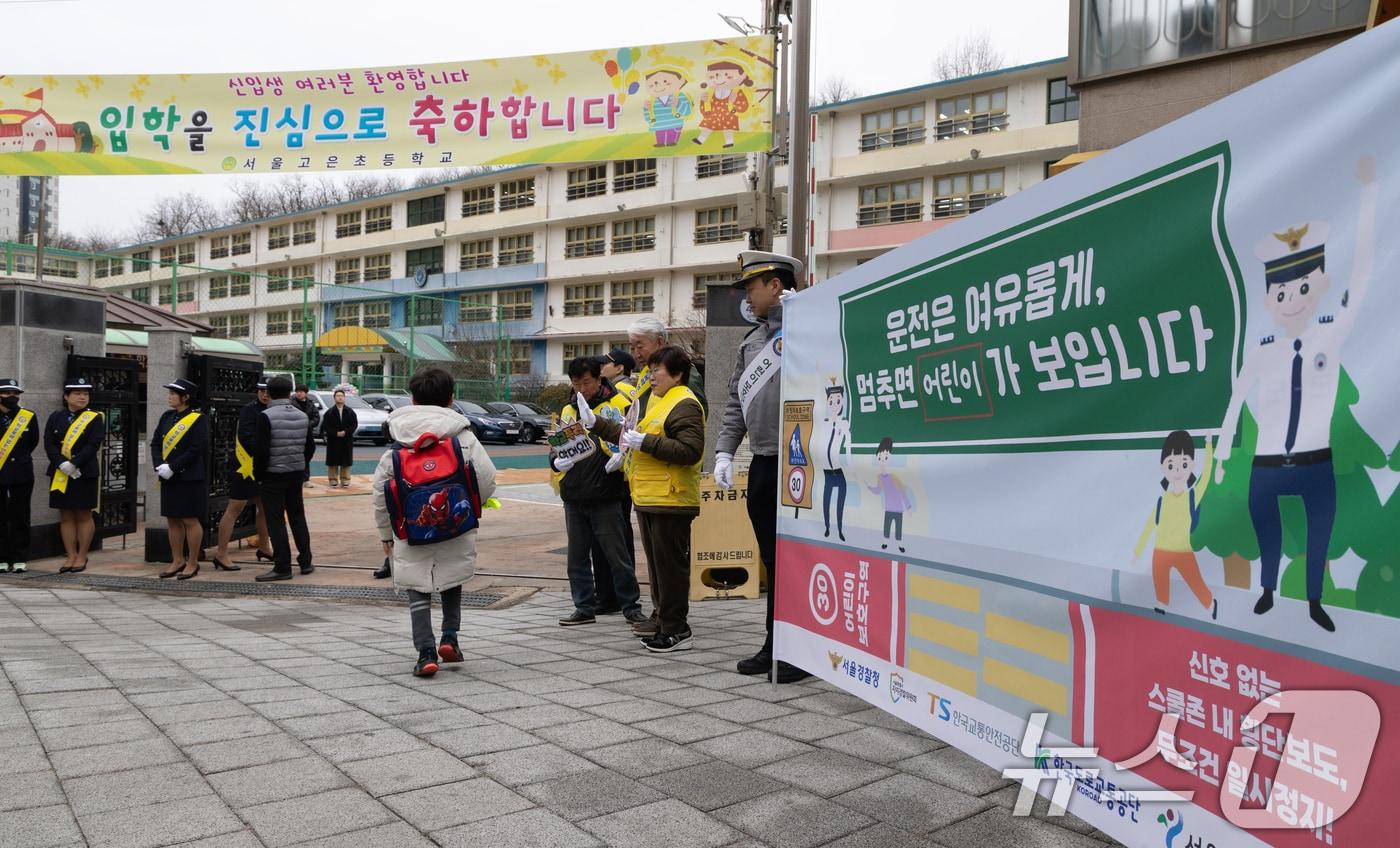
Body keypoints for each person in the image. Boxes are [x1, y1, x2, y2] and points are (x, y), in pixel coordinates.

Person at [1215, 155, 1376, 633]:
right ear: (1269, 299)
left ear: (1320, 284)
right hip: (1266, 462)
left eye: (1303, 287)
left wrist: (1369, 195)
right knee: (1265, 524)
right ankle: (1267, 589)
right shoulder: (1263, 351)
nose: (1292, 300)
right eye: (1281, 293)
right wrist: (1221, 454)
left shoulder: (1331, 333)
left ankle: (1313, 600)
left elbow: (1362, 278)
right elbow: (1236, 399)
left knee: (1320, 530)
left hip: (1315, 460)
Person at [715, 250, 811, 683]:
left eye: (751, 288)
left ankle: (801, 650)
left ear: (776, 286)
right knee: (773, 559)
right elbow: (736, 401)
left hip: (804, 463)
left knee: (798, 560)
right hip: (764, 461)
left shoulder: (811, 328)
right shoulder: (752, 341)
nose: (747, 297)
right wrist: (724, 451)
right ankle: (775, 645)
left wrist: (798, 320)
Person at [372, 367, 498, 677]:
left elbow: (380, 491)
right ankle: (450, 637)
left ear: (413, 400)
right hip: (455, 524)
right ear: (451, 399)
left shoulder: (399, 437)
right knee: (451, 577)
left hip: (411, 528)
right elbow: (487, 479)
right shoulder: (463, 436)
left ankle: (425, 653)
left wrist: (386, 533)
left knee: (417, 584)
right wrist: (469, 507)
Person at [585, 346, 705, 653]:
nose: (650, 376)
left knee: (671, 569)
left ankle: (678, 630)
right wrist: (596, 423)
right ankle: (664, 623)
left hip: (672, 499)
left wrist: (647, 442)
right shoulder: (655, 400)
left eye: (657, 370)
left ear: (677, 374)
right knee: (658, 569)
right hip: (650, 496)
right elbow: (628, 434)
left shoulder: (685, 403)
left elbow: (691, 451)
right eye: (650, 370)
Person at [552, 357, 646, 628]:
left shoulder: (618, 403)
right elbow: (557, 446)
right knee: (577, 557)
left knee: (618, 556)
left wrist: (622, 459)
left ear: (598, 378)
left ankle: (631, 607)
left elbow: (632, 440)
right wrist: (556, 462)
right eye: (576, 383)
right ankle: (583, 607)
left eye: (587, 382)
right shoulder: (568, 409)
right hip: (574, 494)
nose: (582, 389)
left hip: (607, 494)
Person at [1134, 432, 1217, 619]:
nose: (1177, 470)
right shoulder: (1162, 501)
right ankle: (1162, 602)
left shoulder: (1192, 496)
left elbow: (1206, 475)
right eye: (1171, 465)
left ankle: (1210, 603)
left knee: (1195, 581)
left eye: (1184, 464)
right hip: (1161, 550)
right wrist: (1138, 551)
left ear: (1192, 465)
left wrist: (1208, 445)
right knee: (1159, 574)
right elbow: (1149, 526)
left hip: (1183, 550)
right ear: (1163, 467)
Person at [253, 376, 315, 581]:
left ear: (268, 393)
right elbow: (310, 447)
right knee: (298, 517)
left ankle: (282, 566)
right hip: (296, 473)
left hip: (272, 475)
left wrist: (258, 475)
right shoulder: (302, 416)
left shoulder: (265, 416)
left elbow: (261, 451)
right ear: (290, 393)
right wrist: (300, 464)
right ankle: (306, 561)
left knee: (276, 520)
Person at [210, 375, 274, 571]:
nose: (264, 394)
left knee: (264, 508)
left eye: (268, 391)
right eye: (261, 390)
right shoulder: (249, 410)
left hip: (263, 467)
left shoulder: (273, 410)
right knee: (234, 508)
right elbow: (247, 438)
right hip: (245, 467)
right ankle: (221, 554)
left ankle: (264, 547)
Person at [150, 378, 209, 580]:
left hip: (189, 477)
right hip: (168, 476)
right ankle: (177, 560)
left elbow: (197, 448)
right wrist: (160, 465)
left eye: (173, 393)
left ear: (186, 397)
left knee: (190, 520)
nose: (169, 396)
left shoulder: (198, 419)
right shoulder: (167, 416)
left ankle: (192, 562)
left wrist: (174, 467)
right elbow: (155, 443)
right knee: (172, 519)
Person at [45, 377, 104, 574]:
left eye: (85, 394)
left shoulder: (94, 418)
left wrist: (74, 463)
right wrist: (62, 464)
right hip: (60, 473)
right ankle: (70, 555)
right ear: (66, 396)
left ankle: (82, 555)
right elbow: (49, 444)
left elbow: (93, 444)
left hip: (84, 473)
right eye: (77, 393)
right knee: (66, 515)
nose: (82, 397)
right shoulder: (55, 417)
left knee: (84, 514)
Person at [0, 378, 39, 574]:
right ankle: (1, 558)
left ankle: (19, 558)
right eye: (7, 393)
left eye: (15, 393)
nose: (12, 396)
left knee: (21, 515)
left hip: (21, 471)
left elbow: (32, 442)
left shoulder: (28, 416)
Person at [868, 437, 913, 554]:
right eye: (880, 458)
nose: (882, 461)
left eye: (886, 458)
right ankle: (885, 542)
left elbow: (902, 491)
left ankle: (900, 545)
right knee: (887, 527)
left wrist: (908, 507)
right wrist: (868, 486)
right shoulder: (879, 477)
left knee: (898, 528)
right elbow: (878, 490)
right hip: (888, 508)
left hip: (898, 509)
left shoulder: (894, 477)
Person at [321, 389, 358, 488]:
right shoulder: (329, 412)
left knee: (345, 460)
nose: (340, 397)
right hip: (333, 440)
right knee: (333, 460)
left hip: (346, 439)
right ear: (334, 398)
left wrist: (346, 432)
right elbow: (326, 426)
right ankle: (333, 479)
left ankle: (345, 479)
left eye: (341, 396)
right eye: (337, 396)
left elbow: (354, 424)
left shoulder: (350, 411)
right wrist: (335, 433)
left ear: (344, 398)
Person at [292, 384, 318, 488]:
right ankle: (296, 479)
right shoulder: (291, 403)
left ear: (306, 393)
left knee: (308, 452)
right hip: (294, 433)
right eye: (297, 391)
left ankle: (306, 479)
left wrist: (308, 424)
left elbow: (316, 417)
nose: (299, 393)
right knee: (295, 455)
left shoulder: (310, 404)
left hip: (308, 433)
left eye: (301, 392)